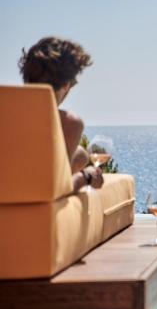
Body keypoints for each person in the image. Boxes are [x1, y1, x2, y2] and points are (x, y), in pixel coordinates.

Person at [18, 37, 104, 193]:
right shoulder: (68, 123)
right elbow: (57, 189)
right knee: (81, 157)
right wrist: (86, 176)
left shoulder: (9, 114)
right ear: (66, 85)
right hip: (32, 211)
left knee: (81, 155)